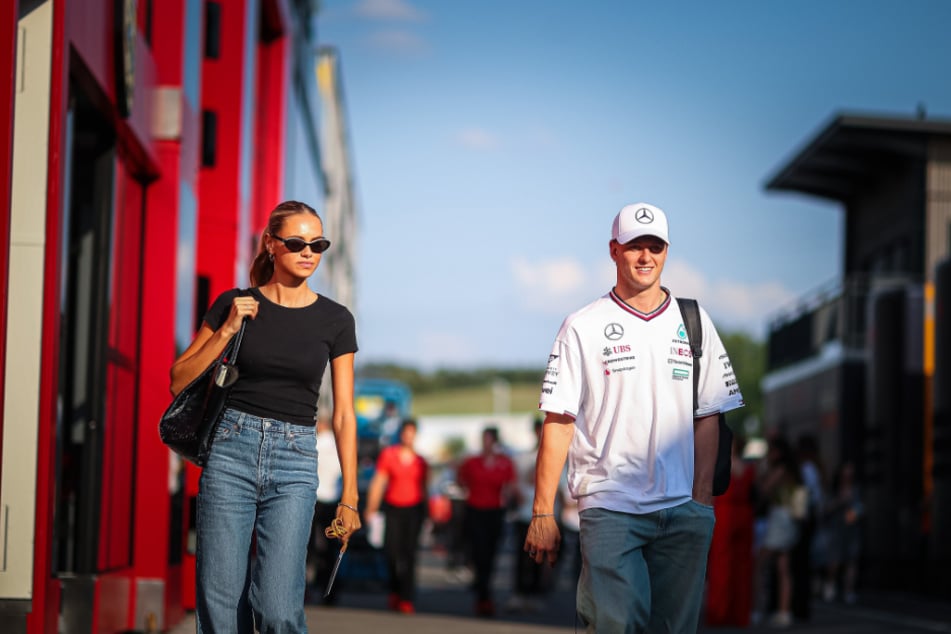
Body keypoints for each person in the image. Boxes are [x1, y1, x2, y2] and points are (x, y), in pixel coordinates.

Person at [523, 202, 745, 633]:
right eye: (634, 246)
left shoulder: (695, 322)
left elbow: (708, 416)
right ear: (613, 250)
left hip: (683, 510)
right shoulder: (582, 326)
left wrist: (701, 502)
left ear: (666, 252)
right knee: (617, 624)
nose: (645, 257)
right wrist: (542, 511)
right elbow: (559, 421)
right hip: (611, 508)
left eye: (655, 247)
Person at [169, 200, 361, 633]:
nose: (308, 252)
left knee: (278, 608)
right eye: (296, 243)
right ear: (270, 245)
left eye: (318, 244)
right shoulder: (234, 304)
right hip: (229, 452)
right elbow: (179, 380)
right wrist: (227, 330)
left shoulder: (335, 320)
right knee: (220, 604)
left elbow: (346, 413)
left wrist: (350, 494)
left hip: (295, 458)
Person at [363, 419, 429, 614]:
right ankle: (394, 588)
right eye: (405, 433)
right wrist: (371, 508)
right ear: (401, 434)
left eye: (412, 433)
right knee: (391, 552)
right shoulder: (389, 455)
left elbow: (425, 488)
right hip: (393, 508)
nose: (408, 437)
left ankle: (407, 597)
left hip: (414, 510)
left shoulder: (421, 461)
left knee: (409, 554)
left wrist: (429, 515)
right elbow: (379, 482)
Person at [457, 426, 517, 617]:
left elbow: (510, 486)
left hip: (494, 512)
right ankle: (483, 594)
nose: (486, 443)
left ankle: (484, 589)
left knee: (490, 554)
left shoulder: (505, 463)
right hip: (475, 510)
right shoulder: (472, 462)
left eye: (489, 439)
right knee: (478, 552)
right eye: (484, 439)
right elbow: (461, 480)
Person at [752, 435, 806, 628]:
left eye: (772, 451)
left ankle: (757, 609)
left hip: (779, 517)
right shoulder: (793, 470)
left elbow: (764, 489)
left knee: (760, 562)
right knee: (783, 567)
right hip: (789, 518)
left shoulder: (780, 469)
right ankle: (784, 611)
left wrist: (761, 471)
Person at [704, 434, 757, 627]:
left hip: (725, 513)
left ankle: (720, 612)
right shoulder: (750, 467)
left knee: (720, 564)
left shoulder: (721, 463)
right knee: (743, 566)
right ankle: (740, 613)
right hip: (745, 514)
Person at [507, 417, 550, 613]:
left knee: (540, 560)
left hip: (548, 516)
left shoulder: (557, 456)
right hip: (525, 515)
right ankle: (519, 594)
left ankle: (535, 594)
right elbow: (516, 482)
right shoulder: (523, 458)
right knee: (522, 556)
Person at [308, 418, 343, 604]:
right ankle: (330, 592)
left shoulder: (316, 442)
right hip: (333, 500)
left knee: (309, 547)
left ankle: (306, 589)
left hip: (315, 499)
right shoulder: (338, 444)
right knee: (330, 547)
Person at [822, 460, 863, 604]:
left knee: (852, 560)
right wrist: (839, 501)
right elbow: (825, 508)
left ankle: (849, 590)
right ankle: (830, 584)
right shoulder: (834, 490)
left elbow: (860, 508)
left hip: (851, 528)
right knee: (834, 561)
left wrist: (855, 513)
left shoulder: (856, 489)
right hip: (836, 527)